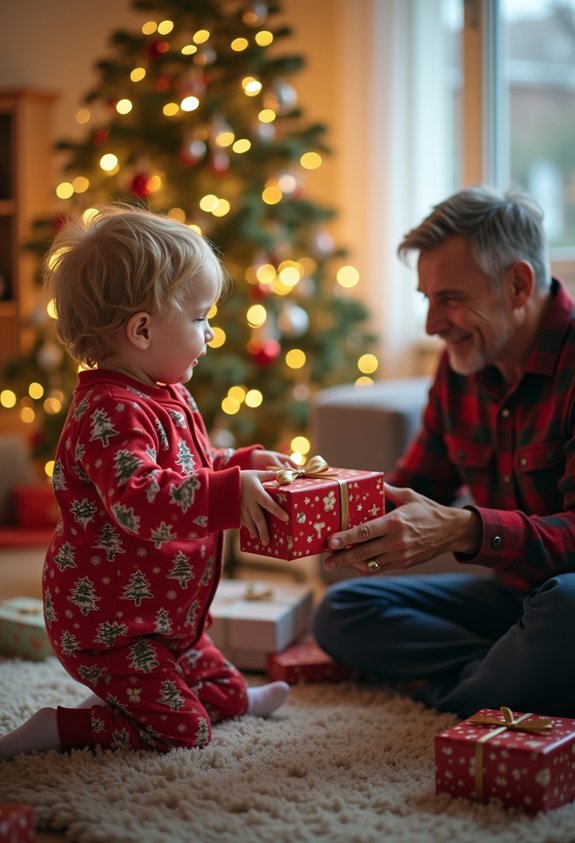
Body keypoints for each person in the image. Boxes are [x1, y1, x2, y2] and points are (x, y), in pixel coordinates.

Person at [0, 205, 293, 758]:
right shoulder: (108, 412)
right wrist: (231, 493)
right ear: (141, 329)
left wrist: (245, 462)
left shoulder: (165, 392)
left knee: (224, 695)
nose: (209, 332)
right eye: (201, 318)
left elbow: (192, 462)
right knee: (185, 730)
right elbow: (143, 501)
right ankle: (57, 728)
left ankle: (154, 698)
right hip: (111, 627)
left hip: (166, 621)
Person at [313, 184, 575, 718]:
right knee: (341, 612)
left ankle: (461, 689)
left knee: (565, 609)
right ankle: (510, 677)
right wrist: (319, 504)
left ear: (518, 284)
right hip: (515, 603)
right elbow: (416, 485)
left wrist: (463, 529)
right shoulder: (463, 363)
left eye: (450, 299)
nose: (433, 324)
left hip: (561, 603)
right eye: (427, 300)